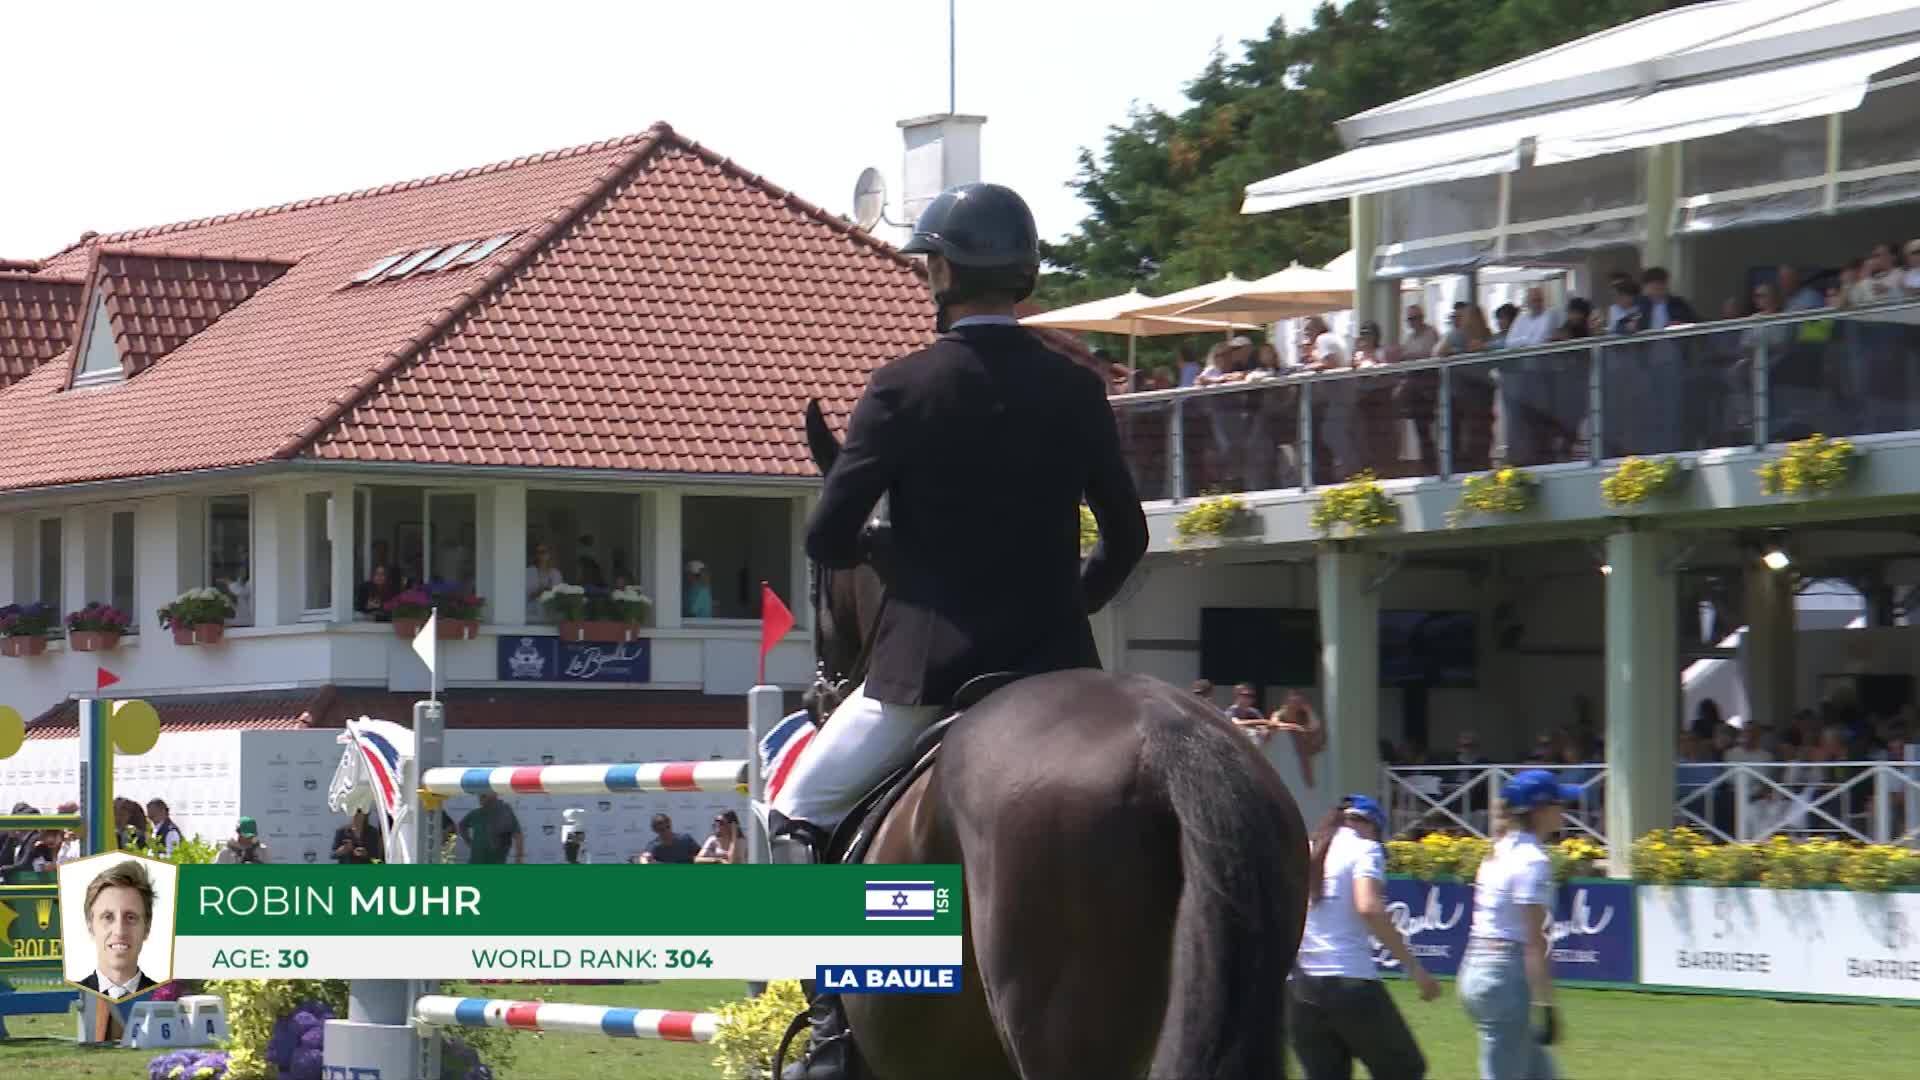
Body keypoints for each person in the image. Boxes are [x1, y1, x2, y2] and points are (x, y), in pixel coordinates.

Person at [769, 181, 1149, 1079]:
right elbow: (1127, 540)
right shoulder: (1075, 388)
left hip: (927, 676)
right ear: (1021, 276)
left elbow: (827, 536)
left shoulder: (903, 387)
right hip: (1058, 670)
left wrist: (891, 554)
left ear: (940, 269)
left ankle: (832, 1035)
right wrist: (1069, 604)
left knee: (797, 808)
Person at [1289, 795, 1440, 1080]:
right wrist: (1415, 968)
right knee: (1405, 1069)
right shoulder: (1365, 849)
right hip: (1348, 982)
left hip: (1299, 990)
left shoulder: (1305, 850)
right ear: (1371, 826)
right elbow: (1369, 907)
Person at [1457, 769, 1578, 1079]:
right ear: (1539, 810)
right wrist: (1547, 1005)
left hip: (1479, 968)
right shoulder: (1532, 860)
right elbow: (1534, 943)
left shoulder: (1499, 850)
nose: (1564, 809)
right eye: (1558, 803)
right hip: (1503, 977)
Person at [77, 858, 159, 1000]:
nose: (119, 931)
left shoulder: (167, 1000)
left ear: (147, 927)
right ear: (90, 925)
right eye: (108, 917)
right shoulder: (72, 996)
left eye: (131, 917)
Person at [458, 792, 524, 864]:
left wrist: (519, 858)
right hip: (476, 861)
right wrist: (469, 842)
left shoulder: (505, 812)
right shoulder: (476, 813)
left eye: (484, 795)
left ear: (495, 794)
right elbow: (462, 825)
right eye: (480, 795)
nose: (480, 797)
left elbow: (518, 835)